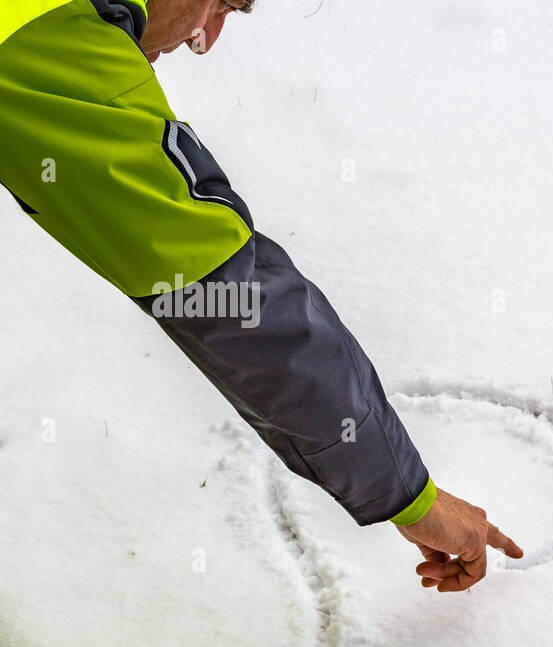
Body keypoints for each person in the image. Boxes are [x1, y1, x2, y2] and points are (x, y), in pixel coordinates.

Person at [0, 0, 523, 592]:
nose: (206, 38)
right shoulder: (48, 43)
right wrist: (410, 495)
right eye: (220, 4)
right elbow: (232, 300)